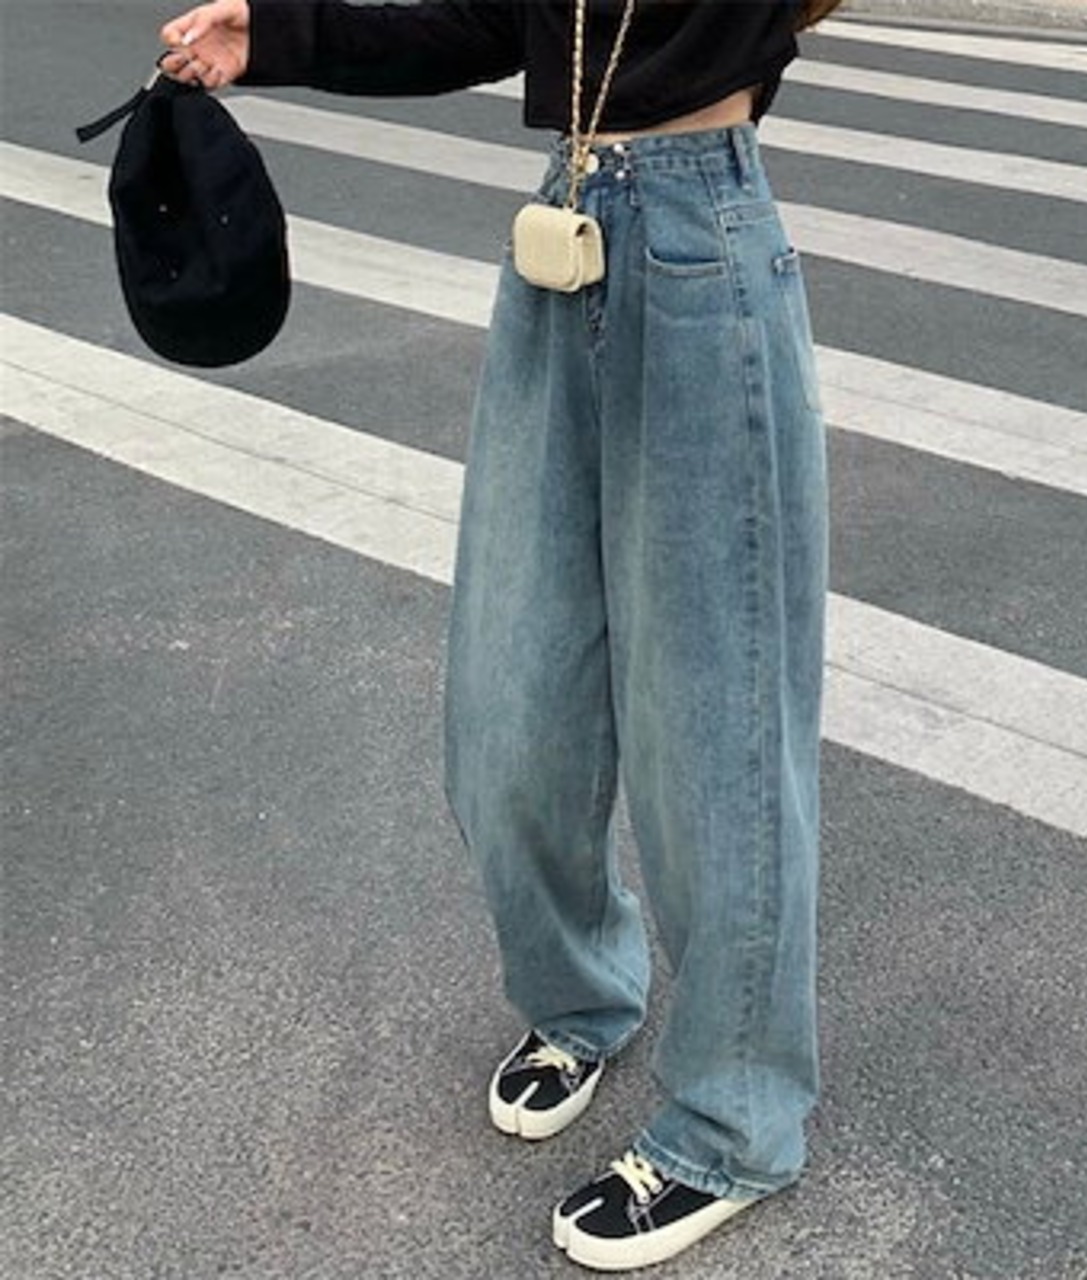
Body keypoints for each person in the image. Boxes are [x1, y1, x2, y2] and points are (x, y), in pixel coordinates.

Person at [160, 0, 838, 1269]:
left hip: (703, 241)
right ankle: (581, 991)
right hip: (560, 236)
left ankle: (734, 1121)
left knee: (714, 731)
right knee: (508, 705)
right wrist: (279, 40)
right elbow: (481, 23)